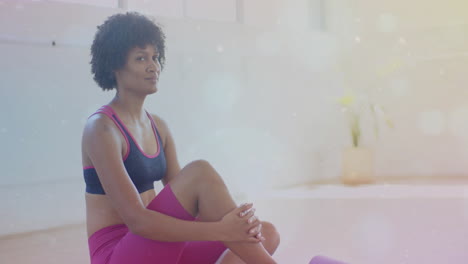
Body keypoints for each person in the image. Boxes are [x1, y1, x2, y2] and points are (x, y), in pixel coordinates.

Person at [81, 12, 280, 264]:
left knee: (266, 233)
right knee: (200, 172)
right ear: (114, 66)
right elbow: (138, 221)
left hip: (157, 245)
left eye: (155, 57)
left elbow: (191, 204)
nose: (153, 66)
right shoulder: (101, 129)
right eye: (141, 58)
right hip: (119, 253)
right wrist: (223, 229)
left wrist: (238, 227)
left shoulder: (158, 127)